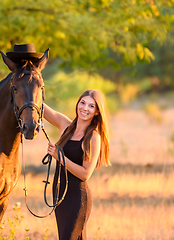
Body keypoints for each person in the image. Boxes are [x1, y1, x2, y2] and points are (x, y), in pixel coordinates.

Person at [44, 89, 110, 240]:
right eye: (83, 103)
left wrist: (59, 157)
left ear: (97, 112)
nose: (85, 108)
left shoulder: (93, 137)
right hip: (60, 196)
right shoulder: (65, 125)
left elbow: (85, 174)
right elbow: (40, 107)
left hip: (77, 199)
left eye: (91, 106)